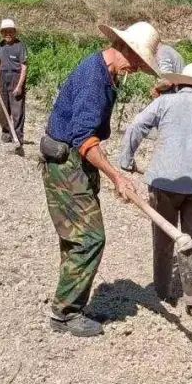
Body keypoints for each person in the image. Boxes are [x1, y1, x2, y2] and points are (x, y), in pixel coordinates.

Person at [40, 21, 161, 337]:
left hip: (73, 162)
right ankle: (65, 313)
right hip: (66, 163)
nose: (136, 69)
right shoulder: (95, 78)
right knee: (90, 238)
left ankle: (68, 302)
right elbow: (83, 138)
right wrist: (116, 176)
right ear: (123, 49)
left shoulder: (103, 72)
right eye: (136, 61)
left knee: (76, 239)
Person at [118, 62, 192, 321]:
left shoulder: (164, 103)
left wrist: (126, 160)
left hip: (163, 183)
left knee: (164, 239)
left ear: (178, 83)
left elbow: (136, 126)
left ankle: (162, 290)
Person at [0, 18, 28, 143]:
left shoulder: (20, 46)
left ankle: (17, 135)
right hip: (3, 77)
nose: (8, 34)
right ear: (1, 33)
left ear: (14, 32)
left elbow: (24, 66)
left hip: (15, 78)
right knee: (3, 109)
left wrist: (19, 85)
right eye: (5, 31)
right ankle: (6, 133)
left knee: (17, 110)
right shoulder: (0, 45)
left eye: (10, 31)